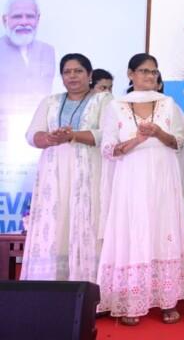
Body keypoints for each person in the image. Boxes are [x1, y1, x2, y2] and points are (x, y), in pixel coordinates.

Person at [97, 53, 184, 326]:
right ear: (130, 74)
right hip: (131, 179)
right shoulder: (116, 106)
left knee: (164, 231)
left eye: (153, 72)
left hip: (164, 177)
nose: (150, 76)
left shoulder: (168, 104)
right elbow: (108, 149)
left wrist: (158, 134)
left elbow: (179, 141)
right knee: (135, 232)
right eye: (143, 71)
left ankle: (168, 300)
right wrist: (137, 140)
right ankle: (131, 302)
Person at [21, 53, 111, 282]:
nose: (72, 76)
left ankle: (89, 286)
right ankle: (51, 284)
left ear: (89, 75)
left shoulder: (103, 100)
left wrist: (72, 136)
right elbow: (32, 135)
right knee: (54, 224)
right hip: (54, 175)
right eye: (67, 72)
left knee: (87, 222)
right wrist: (49, 138)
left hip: (89, 174)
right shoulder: (50, 102)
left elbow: (108, 134)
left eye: (78, 71)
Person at [0, 0, 55, 140]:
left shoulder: (48, 51)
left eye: (29, 16)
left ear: (38, 19)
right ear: (5, 20)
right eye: (17, 16)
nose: (24, 22)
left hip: (40, 134)